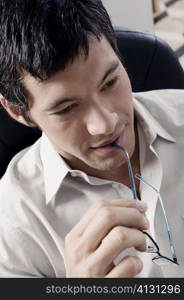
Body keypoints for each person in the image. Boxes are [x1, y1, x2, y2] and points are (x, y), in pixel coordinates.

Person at [0, 0, 184, 278]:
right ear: (17, 111)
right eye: (66, 108)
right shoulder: (12, 226)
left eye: (110, 82)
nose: (106, 124)